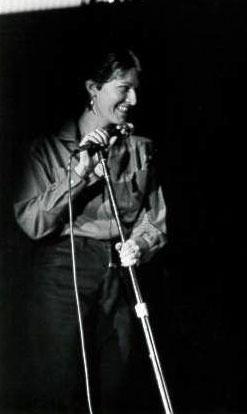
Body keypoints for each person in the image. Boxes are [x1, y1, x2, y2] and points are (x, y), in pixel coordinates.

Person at [13, 48, 167, 412]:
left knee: (116, 379)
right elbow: (32, 223)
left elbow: (154, 217)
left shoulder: (140, 149)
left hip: (119, 271)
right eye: (123, 88)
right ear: (93, 88)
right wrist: (79, 175)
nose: (134, 99)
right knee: (62, 382)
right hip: (64, 271)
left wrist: (141, 244)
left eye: (136, 89)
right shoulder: (47, 149)